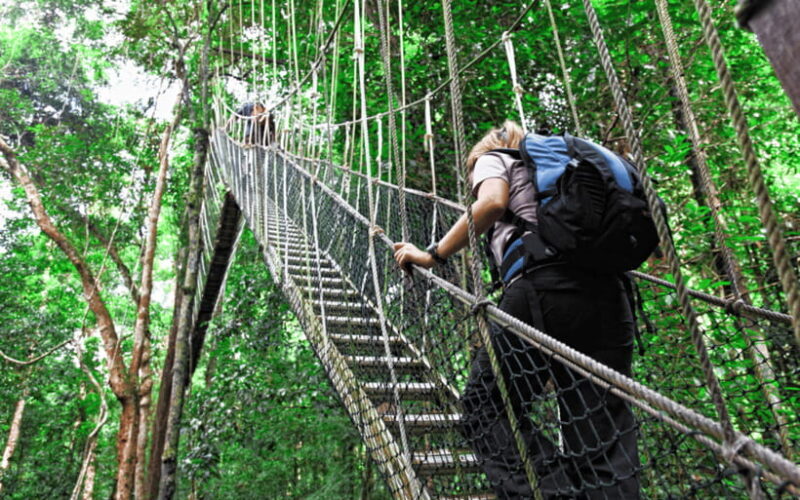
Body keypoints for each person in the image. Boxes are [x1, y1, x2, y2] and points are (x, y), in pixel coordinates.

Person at [393, 121, 640, 499]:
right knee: (602, 434)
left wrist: (432, 254)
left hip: (542, 289)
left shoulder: (495, 158)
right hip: (611, 295)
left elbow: (491, 203)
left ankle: (553, 493)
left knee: (483, 408)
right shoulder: (565, 166)